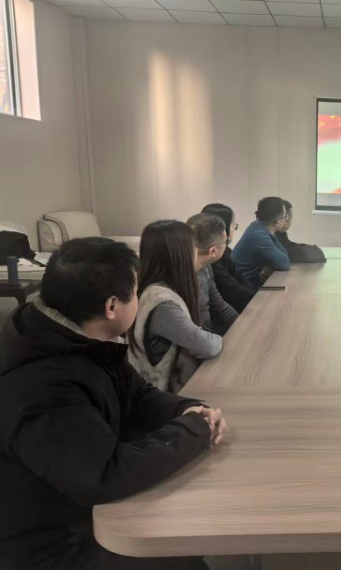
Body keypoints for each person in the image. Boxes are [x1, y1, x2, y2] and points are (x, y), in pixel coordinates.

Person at [0, 237, 226, 570]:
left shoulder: (75, 337)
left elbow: (136, 394)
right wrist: (194, 432)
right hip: (52, 545)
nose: (140, 297)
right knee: (183, 556)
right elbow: (105, 475)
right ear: (111, 307)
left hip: (78, 511)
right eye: (135, 292)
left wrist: (184, 410)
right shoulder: (42, 382)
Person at [128, 221, 223, 393]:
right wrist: (221, 338)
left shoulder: (153, 288)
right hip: (158, 396)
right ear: (180, 254)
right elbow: (207, 346)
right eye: (192, 246)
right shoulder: (162, 303)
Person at [186, 213, 239, 335]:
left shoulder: (205, 267)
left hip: (209, 338)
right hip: (197, 341)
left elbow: (219, 307)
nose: (228, 243)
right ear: (213, 251)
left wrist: (244, 324)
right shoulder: (179, 276)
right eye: (226, 241)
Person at [201, 203, 256, 314]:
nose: (234, 229)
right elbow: (233, 291)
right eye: (233, 225)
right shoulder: (211, 259)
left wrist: (257, 297)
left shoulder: (226, 251)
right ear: (223, 228)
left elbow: (240, 279)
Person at [232, 197, 290, 290]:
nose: (286, 219)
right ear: (277, 222)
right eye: (285, 216)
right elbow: (284, 263)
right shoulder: (258, 235)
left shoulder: (258, 226)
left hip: (248, 283)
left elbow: (284, 257)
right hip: (242, 289)